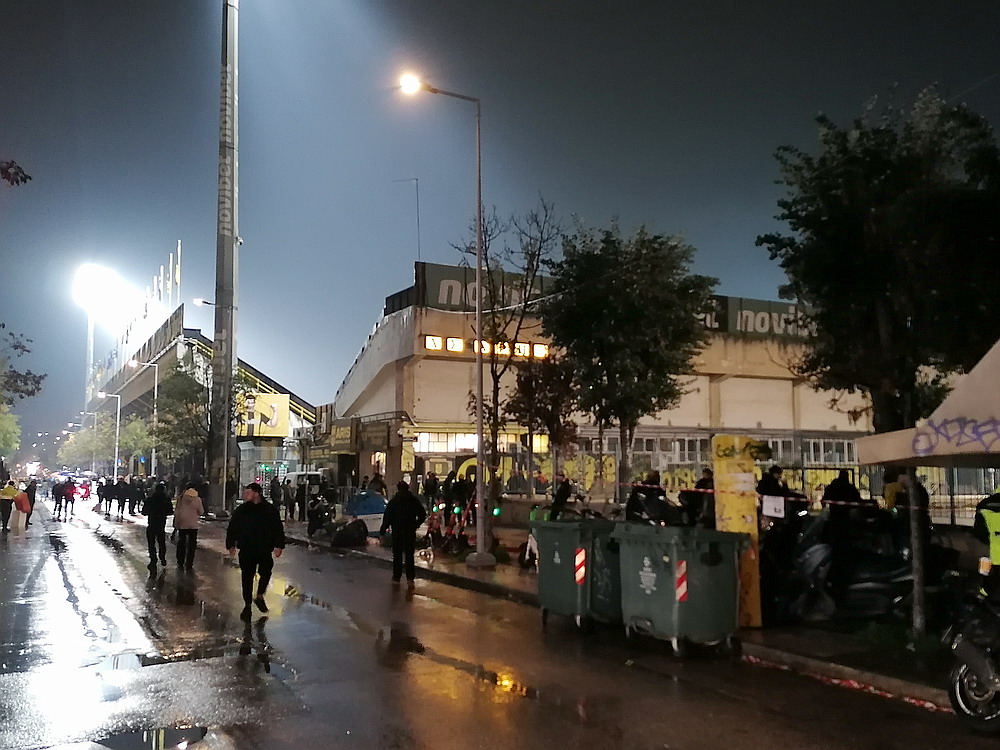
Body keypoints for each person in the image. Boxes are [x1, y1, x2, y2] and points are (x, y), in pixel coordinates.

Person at [226, 482, 286, 621]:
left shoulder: (269, 510)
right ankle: (247, 605)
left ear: (256, 493)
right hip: (247, 548)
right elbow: (232, 528)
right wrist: (231, 545)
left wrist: (279, 546)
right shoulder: (242, 510)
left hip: (264, 548)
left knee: (266, 572)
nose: (245, 495)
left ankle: (259, 595)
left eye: (248, 493)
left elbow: (277, 528)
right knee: (247, 577)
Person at [380, 481, 427, 586]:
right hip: (410, 531)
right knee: (409, 555)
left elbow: (387, 518)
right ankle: (410, 578)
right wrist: (416, 524)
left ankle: (397, 577)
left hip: (397, 531)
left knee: (397, 555)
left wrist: (382, 532)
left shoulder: (394, 501)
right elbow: (422, 514)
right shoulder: (413, 500)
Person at [142, 482, 173, 572]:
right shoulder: (166, 500)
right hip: (161, 524)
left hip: (152, 523)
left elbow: (144, 512)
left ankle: (153, 559)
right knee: (161, 543)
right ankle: (162, 557)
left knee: (151, 544)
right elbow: (170, 512)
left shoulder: (150, 500)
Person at [174, 484, 204, 571]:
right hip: (193, 524)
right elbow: (201, 512)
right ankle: (189, 563)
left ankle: (180, 561)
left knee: (181, 543)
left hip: (182, 523)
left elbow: (177, 511)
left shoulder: (181, 499)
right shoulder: (197, 499)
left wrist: (176, 523)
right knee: (192, 545)